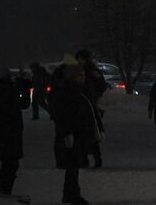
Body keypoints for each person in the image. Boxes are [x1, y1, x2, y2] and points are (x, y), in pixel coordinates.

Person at [52, 63, 96, 205]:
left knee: (74, 166)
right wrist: (67, 133)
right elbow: (63, 115)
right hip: (72, 134)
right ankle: (72, 194)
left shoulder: (79, 90)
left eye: (83, 75)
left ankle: (70, 194)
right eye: (80, 76)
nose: (83, 78)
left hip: (78, 132)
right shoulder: (66, 92)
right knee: (72, 165)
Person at [0, 67, 31, 196]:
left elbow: (23, 104)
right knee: (9, 163)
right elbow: (14, 103)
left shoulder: (1, 88)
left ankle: (4, 191)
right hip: (5, 129)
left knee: (11, 163)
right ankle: (0, 191)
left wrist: (23, 86)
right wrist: (20, 86)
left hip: (10, 129)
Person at [75, 50, 109, 169]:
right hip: (78, 104)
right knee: (80, 134)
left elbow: (102, 86)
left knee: (92, 132)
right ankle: (83, 160)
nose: (80, 61)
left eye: (82, 59)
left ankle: (96, 159)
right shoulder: (75, 70)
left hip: (89, 104)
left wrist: (96, 81)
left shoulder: (92, 71)